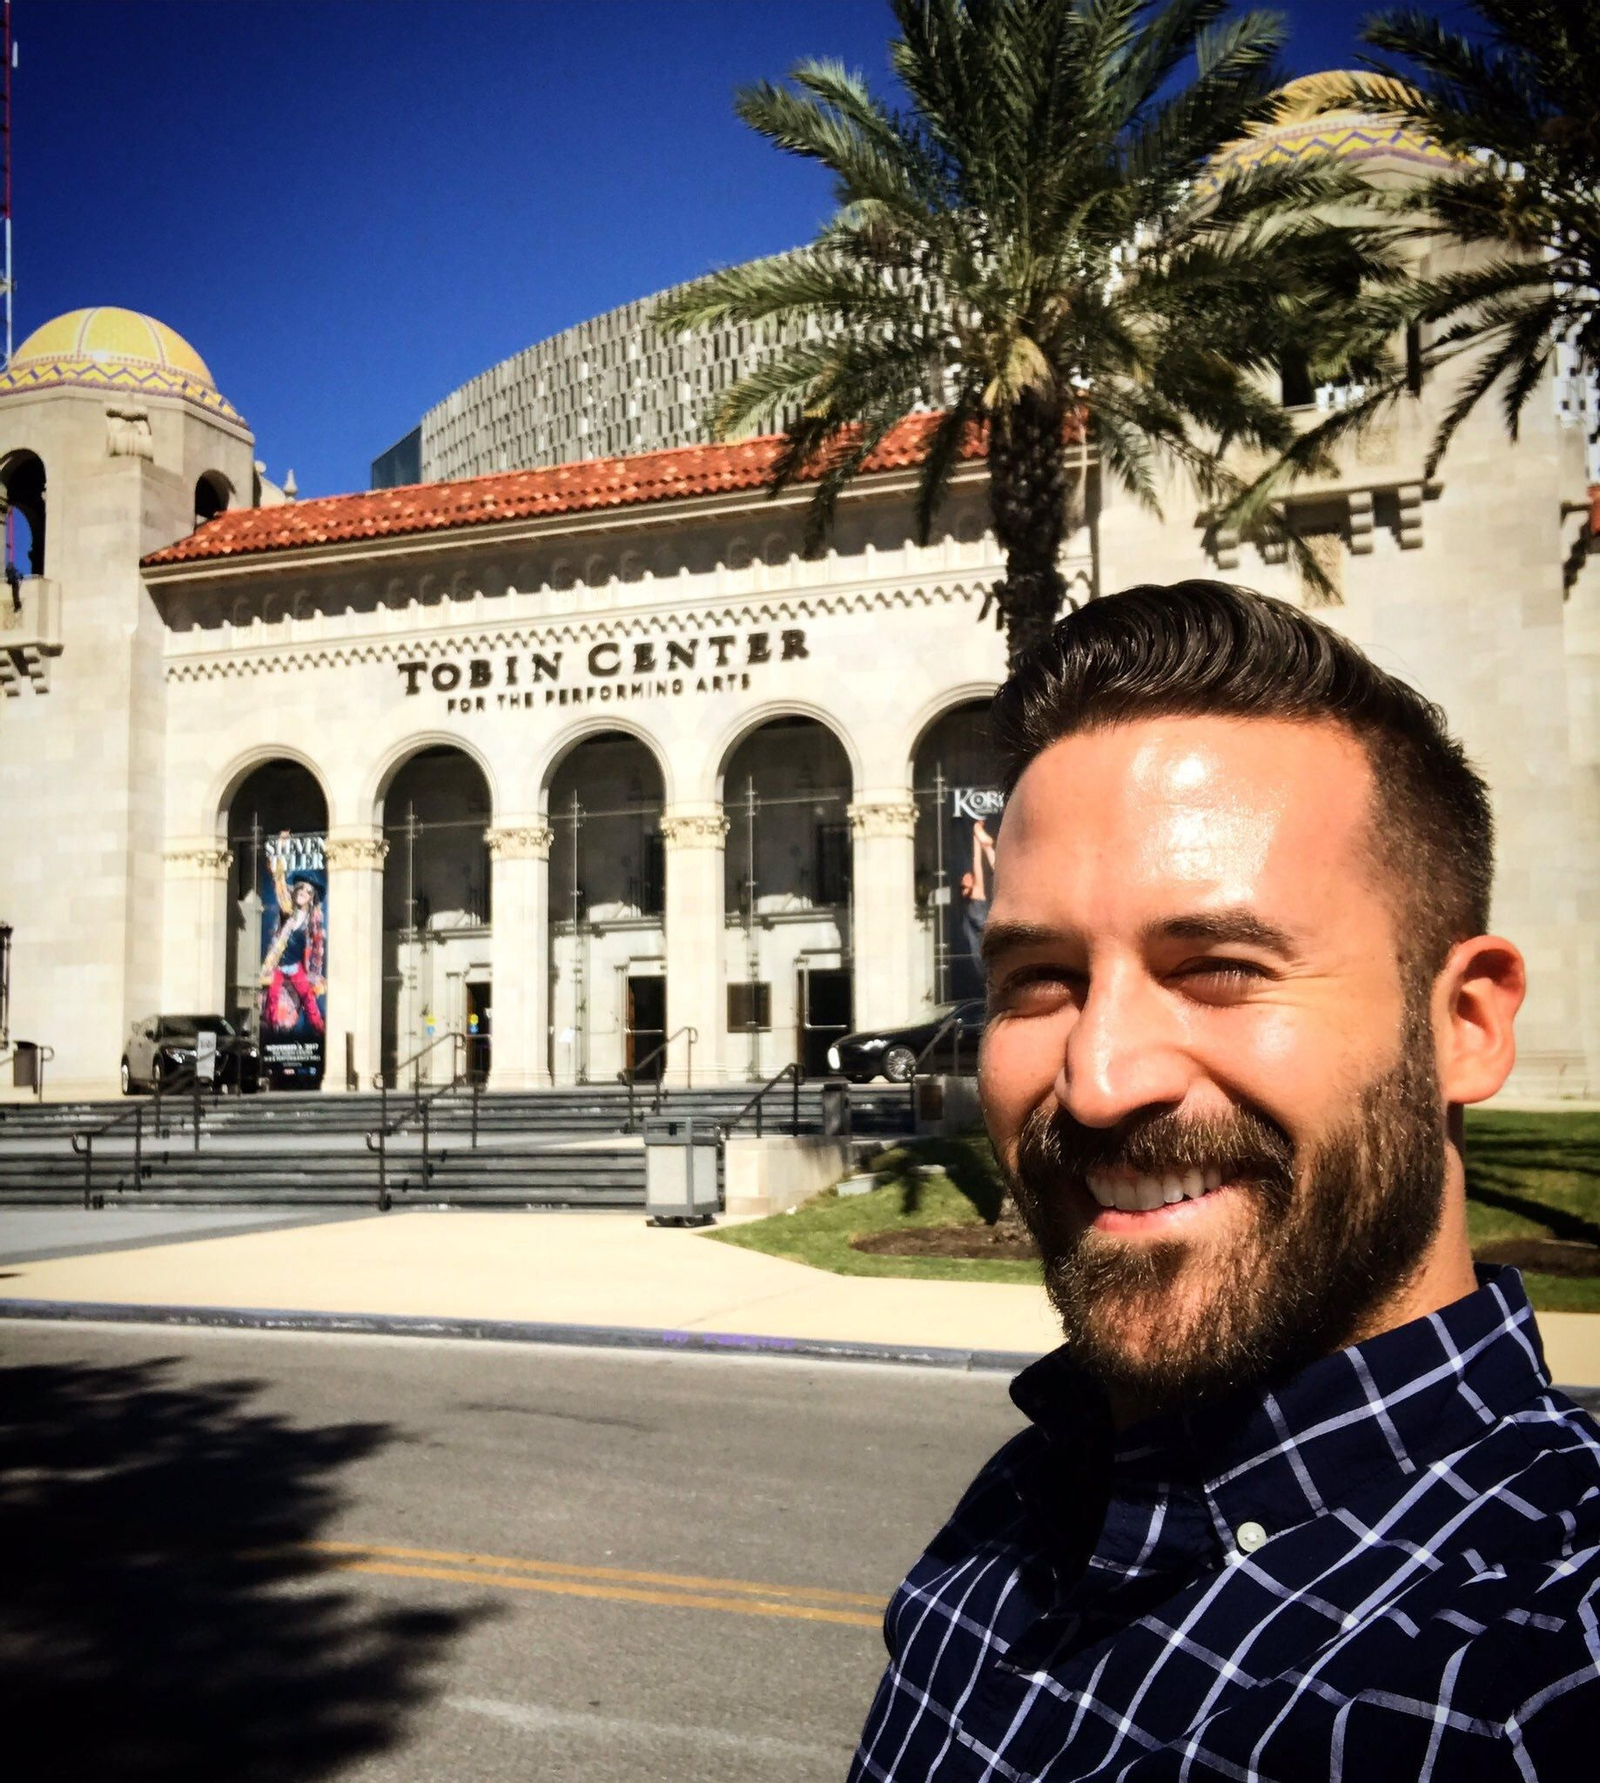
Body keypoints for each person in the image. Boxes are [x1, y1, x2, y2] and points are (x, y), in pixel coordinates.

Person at [851, 581, 1600, 1781]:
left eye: (1220, 967)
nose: (1098, 1080)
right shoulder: (1021, 1509)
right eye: (1037, 978)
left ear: (1464, 1022)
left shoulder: (1534, 1681)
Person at [259, 833, 325, 1038]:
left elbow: (316, 950)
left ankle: (320, 1031)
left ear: (312, 897)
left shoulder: (313, 920)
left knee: (308, 997)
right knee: (271, 997)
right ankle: (272, 1032)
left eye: (308, 890)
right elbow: (279, 882)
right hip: (279, 965)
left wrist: (314, 976)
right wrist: (280, 848)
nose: (303, 892)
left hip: (296, 967)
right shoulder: (287, 909)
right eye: (300, 888)